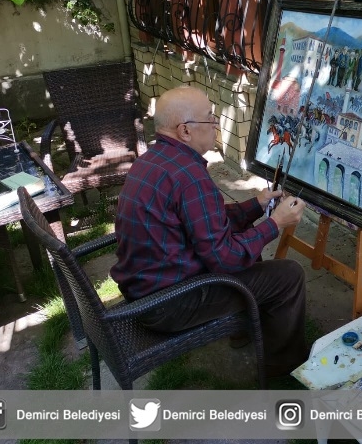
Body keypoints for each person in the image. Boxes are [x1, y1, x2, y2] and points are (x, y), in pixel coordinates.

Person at [111, 86, 309, 378]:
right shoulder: (188, 176)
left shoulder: (155, 159)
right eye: (210, 118)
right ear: (185, 131)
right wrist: (275, 224)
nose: (216, 124)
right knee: (289, 276)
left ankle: (245, 329)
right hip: (168, 304)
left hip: (146, 290)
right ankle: (283, 368)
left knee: (247, 245)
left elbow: (206, 221)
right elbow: (225, 259)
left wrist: (257, 205)